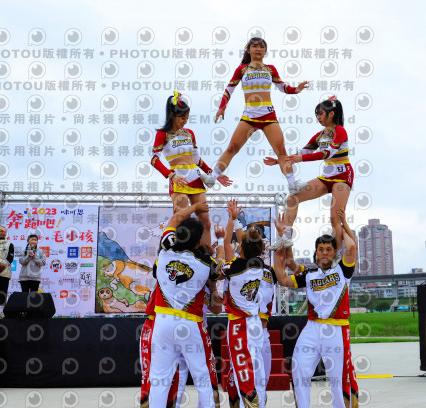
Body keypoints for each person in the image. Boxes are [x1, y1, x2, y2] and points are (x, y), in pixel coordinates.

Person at [273, 210, 360, 408]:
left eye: (328, 249)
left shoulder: (343, 271)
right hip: (311, 328)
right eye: (321, 249)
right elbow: (283, 279)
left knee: (337, 377)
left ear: (334, 252)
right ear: (316, 253)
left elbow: (351, 247)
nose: (324, 253)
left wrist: (343, 223)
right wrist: (281, 243)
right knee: (298, 370)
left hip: (336, 329)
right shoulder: (309, 274)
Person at [148, 201, 223, 408]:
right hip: (191, 324)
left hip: (162, 322)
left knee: (159, 379)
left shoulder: (164, 251)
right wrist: (216, 247)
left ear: (177, 236)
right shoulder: (206, 263)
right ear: (199, 242)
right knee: (202, 377)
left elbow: (174, 219)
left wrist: (194, 207)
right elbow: (220, 269)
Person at [205, 37, 309, 194]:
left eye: (261, 46)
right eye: (254, 46)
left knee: (281, 151)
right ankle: (212, 177)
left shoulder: (270, 69)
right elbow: (229, 89)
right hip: (249, 117)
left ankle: (292, 184)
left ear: (265, 51)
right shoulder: (242, 70)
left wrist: (296, 89)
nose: (258, 49)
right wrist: (222, 108)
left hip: (268, 116)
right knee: (232, 147)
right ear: (248, 50)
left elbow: (283, 87)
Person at [266, 96, 352, 260]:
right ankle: (286, 237)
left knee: (335, 217)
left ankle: (337, 257)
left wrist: (302, 159)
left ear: (331, 114)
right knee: (292, 198)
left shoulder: (340, 131)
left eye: (321, 114)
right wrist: (279, 161)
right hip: (327, 177)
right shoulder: (319, 136)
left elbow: (327, 153)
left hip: (342, 176)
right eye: (316, 114)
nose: (318, 117)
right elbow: (302, 153)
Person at [151, 91, 232, 248]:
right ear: (172, 115)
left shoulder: (190, 134)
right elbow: (154, 160)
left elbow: (197, 160)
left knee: (206, 222)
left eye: (187, 118)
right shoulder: (163, 134)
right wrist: (171, 175)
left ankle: (205, 255)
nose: (185, 121)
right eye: (182, 118)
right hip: (178, 181)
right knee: (182, 221)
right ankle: (180, 254)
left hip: (195, 179)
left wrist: (214, 175)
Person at [221, 199, 276, 408]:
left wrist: (231, 219)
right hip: (254, 325)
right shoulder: (260, 266)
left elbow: (227, 242)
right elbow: (243, 241)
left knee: (243, 373)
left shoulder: (233, 268)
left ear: (241, 248)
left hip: (239, 325)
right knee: (257, 372)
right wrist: (236, 221)